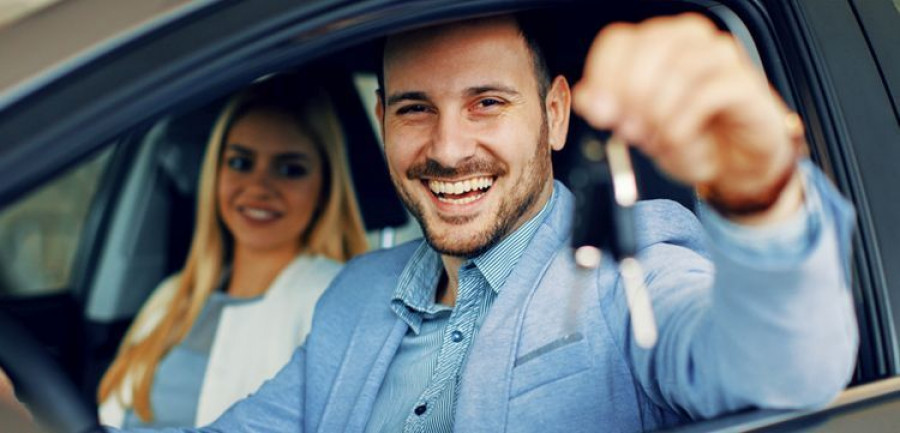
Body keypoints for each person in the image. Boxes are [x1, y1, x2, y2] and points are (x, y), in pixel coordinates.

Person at [0, 12, 857, 433]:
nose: (448, 148)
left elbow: (788, 366)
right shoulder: (352, 301)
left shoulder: (633, 263)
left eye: (488, 103)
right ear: (383, 128)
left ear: (555, 116)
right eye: (414, 108)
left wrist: (760, 193)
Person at [95, 76, 368, 428]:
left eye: (289, 169)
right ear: (215, 172)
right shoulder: (172, 296)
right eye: (240, 163)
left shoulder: (333, 300)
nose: (258, 187)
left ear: (326, 187)